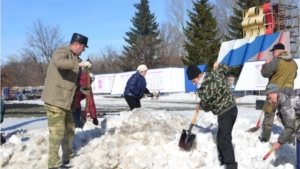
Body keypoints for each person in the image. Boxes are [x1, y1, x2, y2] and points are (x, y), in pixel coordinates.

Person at [41, 32, 92, 169]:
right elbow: (59, 63)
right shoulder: (63, 51)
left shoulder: (74, 57)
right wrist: (80, 64)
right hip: (55, 100)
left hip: (66, 102)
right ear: (76, 44)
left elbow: (71, 81)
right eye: (83, 47)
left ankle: (66, 155)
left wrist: (81, 89)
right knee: (57, 132)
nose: (84, 50)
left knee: (69, 130)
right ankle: (53, 163)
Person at [186, 62, 238, 169]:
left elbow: (207, 107)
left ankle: (231, 166)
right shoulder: (214, 74)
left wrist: (201, 105)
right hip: (232, 109)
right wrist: (218, 65)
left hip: (225, 112)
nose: (194, 84)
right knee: (221, 137)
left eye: (193, 81)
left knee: (225, 140)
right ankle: (222, 161)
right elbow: (226, 69)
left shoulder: (204, 89)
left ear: (199, 75)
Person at [259, 43, 298, 142]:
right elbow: (294, 76)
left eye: (273, 52)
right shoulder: (294, 63)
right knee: (287, 115)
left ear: (277, 51)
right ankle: (290, 138)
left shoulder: (277, 61)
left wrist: (266, 64)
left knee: (269, 113)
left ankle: (265, 137)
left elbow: (265, 73)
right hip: (289, 92)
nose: (273, 54)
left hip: (274, 92)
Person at [264, 83, 300, 167]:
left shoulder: (285, 105)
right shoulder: (286, 95)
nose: (270, 101)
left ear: (276, 93)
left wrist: (280, 142)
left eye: (270, 98)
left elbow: (290, 126)